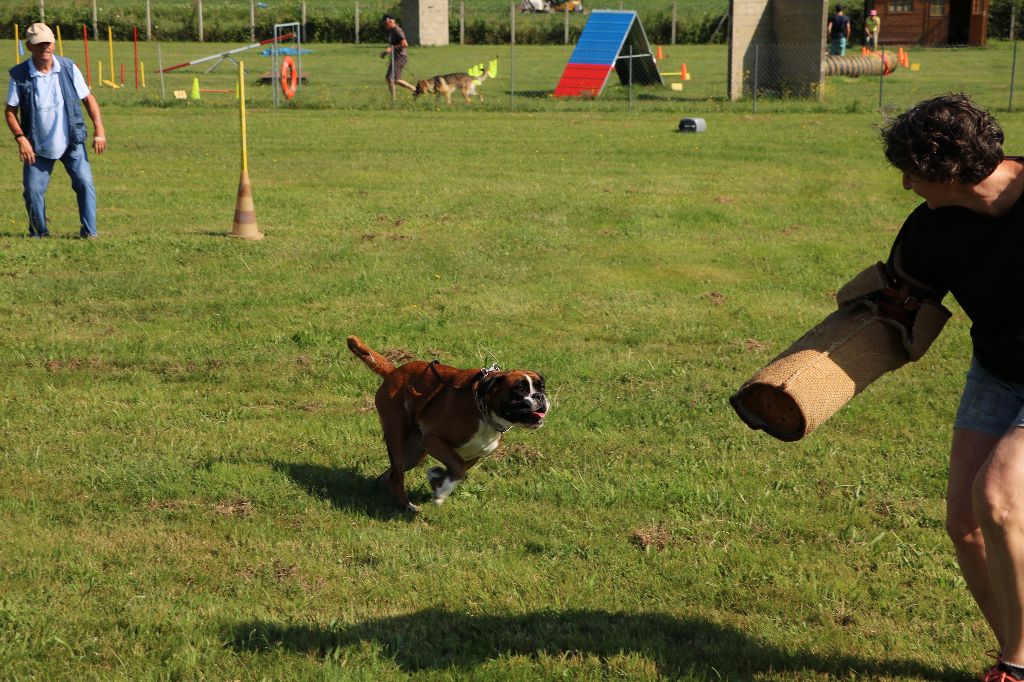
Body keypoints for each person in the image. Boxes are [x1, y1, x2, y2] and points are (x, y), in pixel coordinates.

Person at [881, 93, 1024, 682]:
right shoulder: (932, 228)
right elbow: (899, 299)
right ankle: (1015, 652)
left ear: (947, 170)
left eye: (912, 174)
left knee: (996, 498)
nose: (908, 186)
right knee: (964, 522)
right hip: (997, 367)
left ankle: (1017, 668)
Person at [5, 22, 106, 239]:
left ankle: (90, 233)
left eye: (48, 42)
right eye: (39, 44)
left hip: (71, 140)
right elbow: (10, 111)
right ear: (29, 46)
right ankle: (39, 233)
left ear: (54, 43)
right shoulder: (20, 75)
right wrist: (21, 138)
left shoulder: (68, 68)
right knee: (32, 191)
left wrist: (99, 130)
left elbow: (88, 99)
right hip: (37, 144)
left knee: (85, 183)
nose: (45, 47)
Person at [380, 14, 415, 98]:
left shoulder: (397, 30)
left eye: (386, 23)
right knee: (391, 78)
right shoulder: (391, 31)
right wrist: (386, 53)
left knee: (391, 78)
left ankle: (414, 90)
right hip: (396, 57)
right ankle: (395, 98)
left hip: (400, 57)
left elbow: (405, 44)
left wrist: (391, 49)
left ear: (391, 21)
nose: (384, 25)